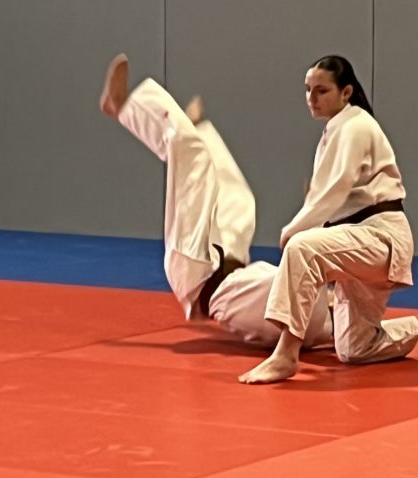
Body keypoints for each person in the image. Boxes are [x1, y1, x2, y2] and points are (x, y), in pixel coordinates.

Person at [238, 55, 418, 384]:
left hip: (380, 237)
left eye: (321, 90)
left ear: (346, 92)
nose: (312, 98)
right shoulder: (337, 129)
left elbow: (335, 190)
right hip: (358, 240)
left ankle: (285, 355)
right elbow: (331, 198)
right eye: (307, 90)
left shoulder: (355, 126)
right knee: (355, 348)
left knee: (301, 248)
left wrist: (295, 228)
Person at [98, 53, 333, 349]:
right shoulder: (322, 321)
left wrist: (314, 219)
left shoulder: (311, 318)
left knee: (192, 156)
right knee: (239, 199)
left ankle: (123, 107)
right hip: (227, 263)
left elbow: (304, 258)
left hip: (198, 270)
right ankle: (198, 130)